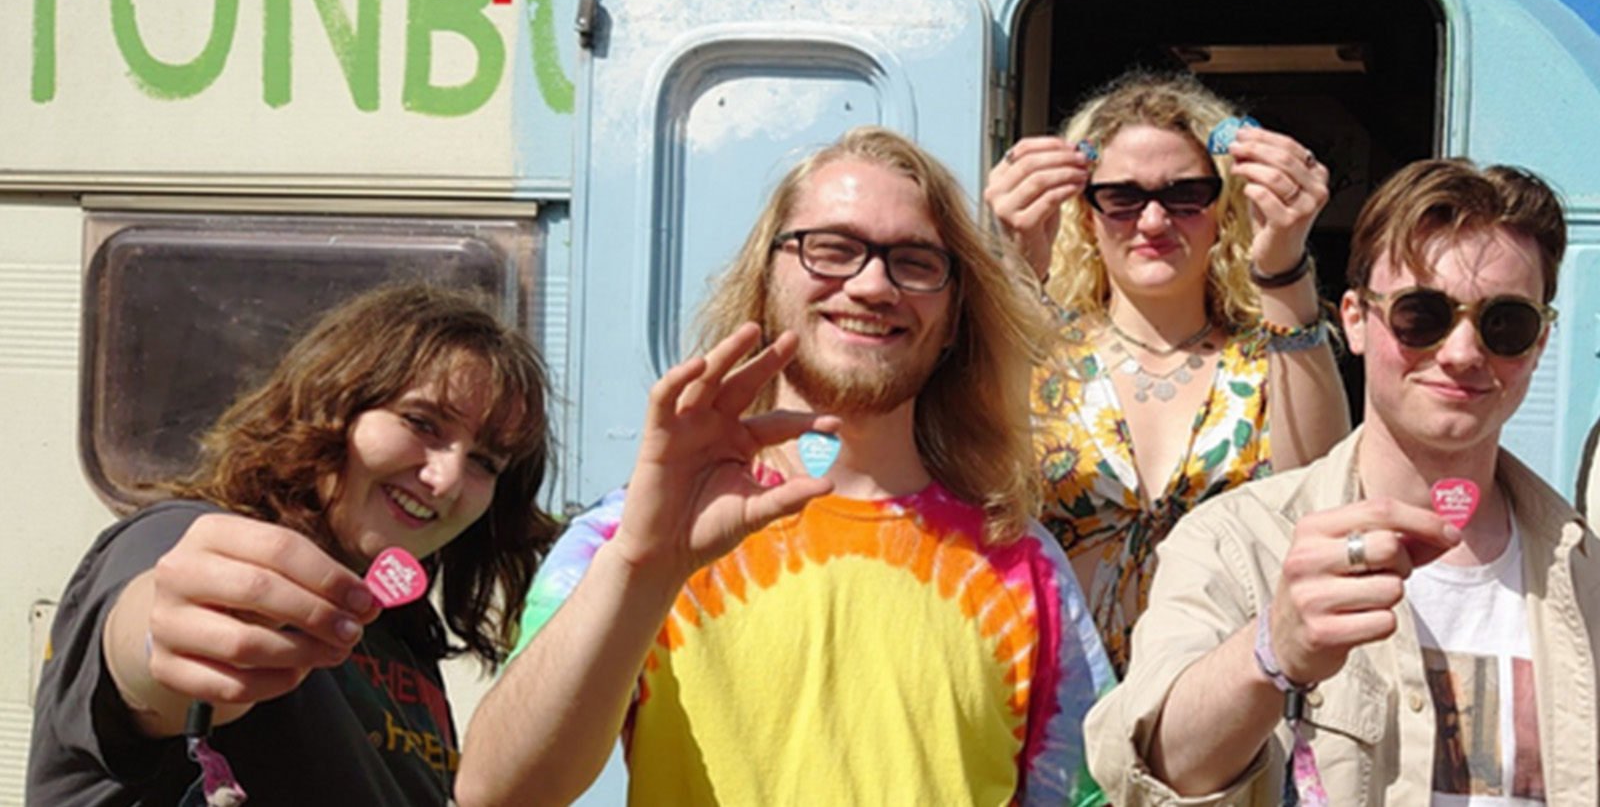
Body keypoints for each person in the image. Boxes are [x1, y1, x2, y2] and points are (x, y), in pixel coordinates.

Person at [455, 126, 1115, 807]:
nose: (872, 284)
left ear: (952, 320)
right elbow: (497, 793)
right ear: (767, 283)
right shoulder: (633, 536)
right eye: (831, 249)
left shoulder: (1023, 563)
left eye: (915, 261)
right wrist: (643, 565)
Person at [1084, 159, 1598, 806]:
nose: (1464, 352)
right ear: (1355, 319)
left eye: (1505, 324)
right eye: (1423, 315)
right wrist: (1273, 651)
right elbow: (1149, 771)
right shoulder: (1239, 542)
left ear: (1541, 342)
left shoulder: (1586, 574)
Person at [28, 284, 559, 806]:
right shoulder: (176, 535)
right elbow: (150, 636)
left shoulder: (400, 626)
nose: (445, 478)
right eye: (421, 423)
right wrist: (163, 643)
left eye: (485, 462)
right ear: (330, 403)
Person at [983, 71, 1351, 674]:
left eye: (1184, 196)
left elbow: (1318, 497)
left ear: (1222, 206)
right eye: (1123, 198)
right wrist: (1016, 269)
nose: (1153, 222)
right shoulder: (1041, 351)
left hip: (1225, 708)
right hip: (1055, 702)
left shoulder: (1271, 357)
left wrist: (1285, 260)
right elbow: (980, 488)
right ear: (1085, 210)